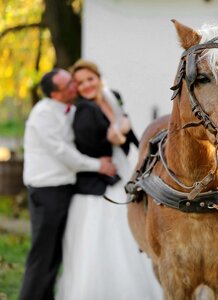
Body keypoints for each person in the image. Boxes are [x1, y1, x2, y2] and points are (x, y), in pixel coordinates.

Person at [55, 59, 163, 300]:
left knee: (128, 236)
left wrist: (137, 144)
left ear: (98, 77)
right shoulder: (83, 109)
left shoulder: (111, 96)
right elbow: (87, 145)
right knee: (101, 242)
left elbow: (128, 132)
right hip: (96, 188)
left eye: (89, 79)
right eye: (80, 83)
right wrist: (114, 137)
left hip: (121, 175)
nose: (86, 86)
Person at [20, 69, 117, 300]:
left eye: (72, 82)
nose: (75, 87)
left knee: (54, 255)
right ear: (55, 94)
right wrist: (98, 166)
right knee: (42, 255)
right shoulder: (43, 114)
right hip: (47, 191)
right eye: (69, 86)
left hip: (63, 189)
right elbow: (63, 152)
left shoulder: (70, 109)